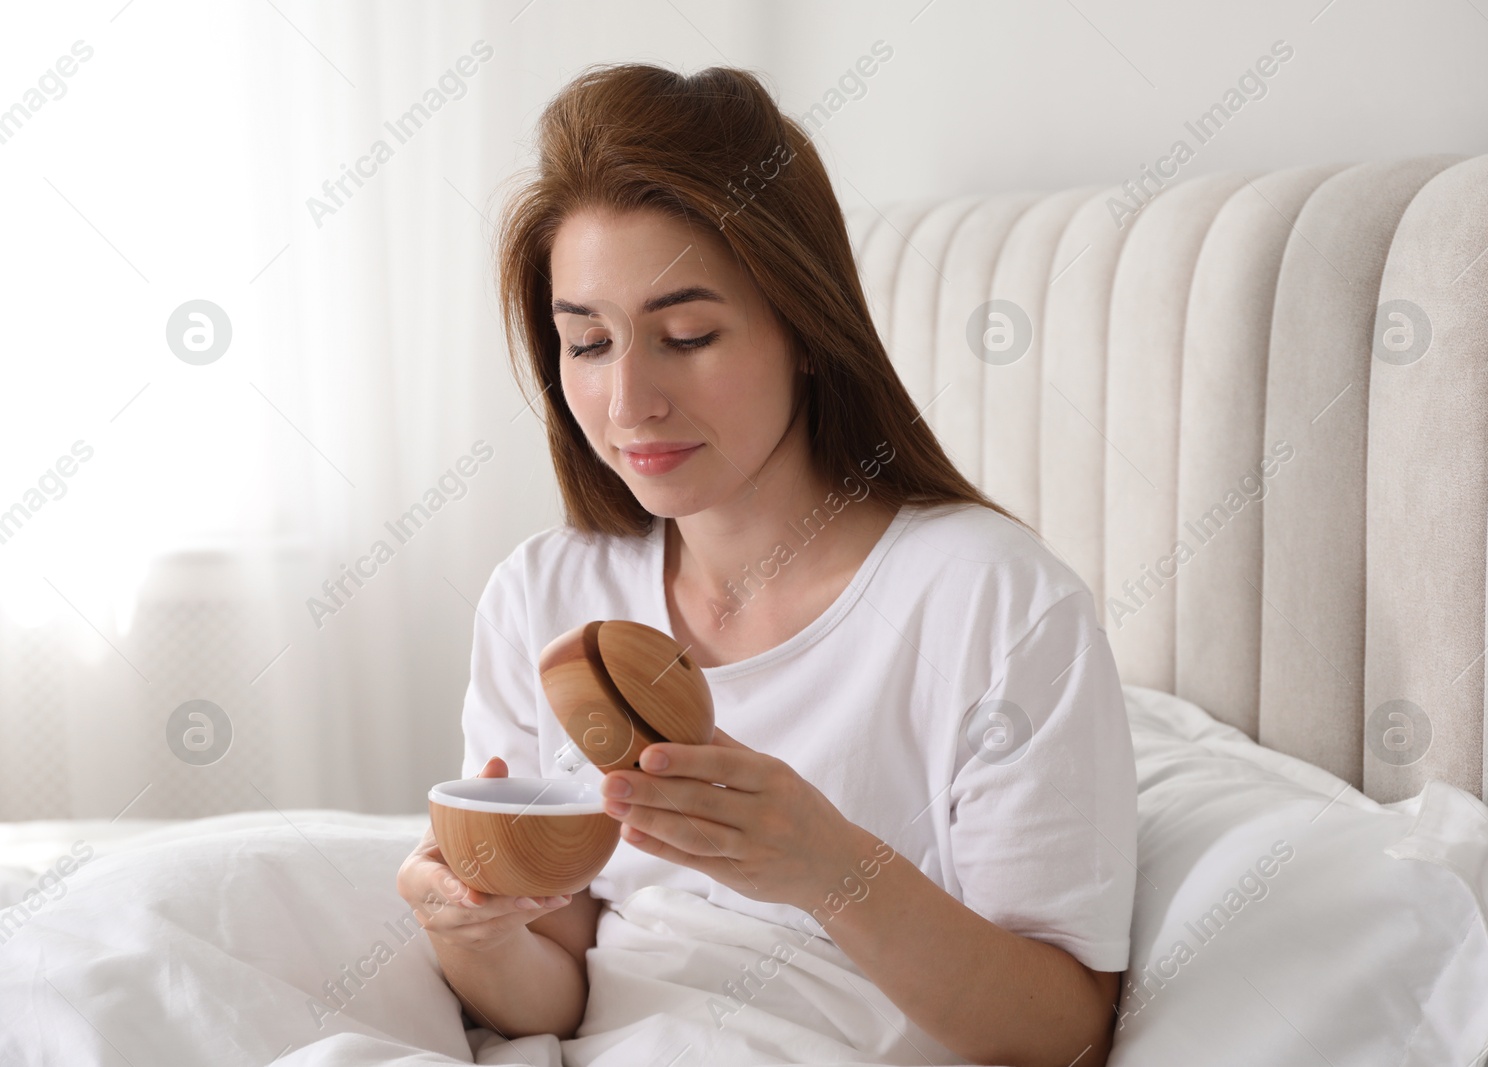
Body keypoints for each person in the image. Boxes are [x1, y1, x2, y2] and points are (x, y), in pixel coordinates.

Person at [396, 61, 1136, 1067]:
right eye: (588, 342)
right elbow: (553, 995)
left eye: (686, 335)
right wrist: (470, 928)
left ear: (805, 328)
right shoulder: (546, 593)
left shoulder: (992, 602)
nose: (628, 403)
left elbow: (1059, 1032)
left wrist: (831, 867)